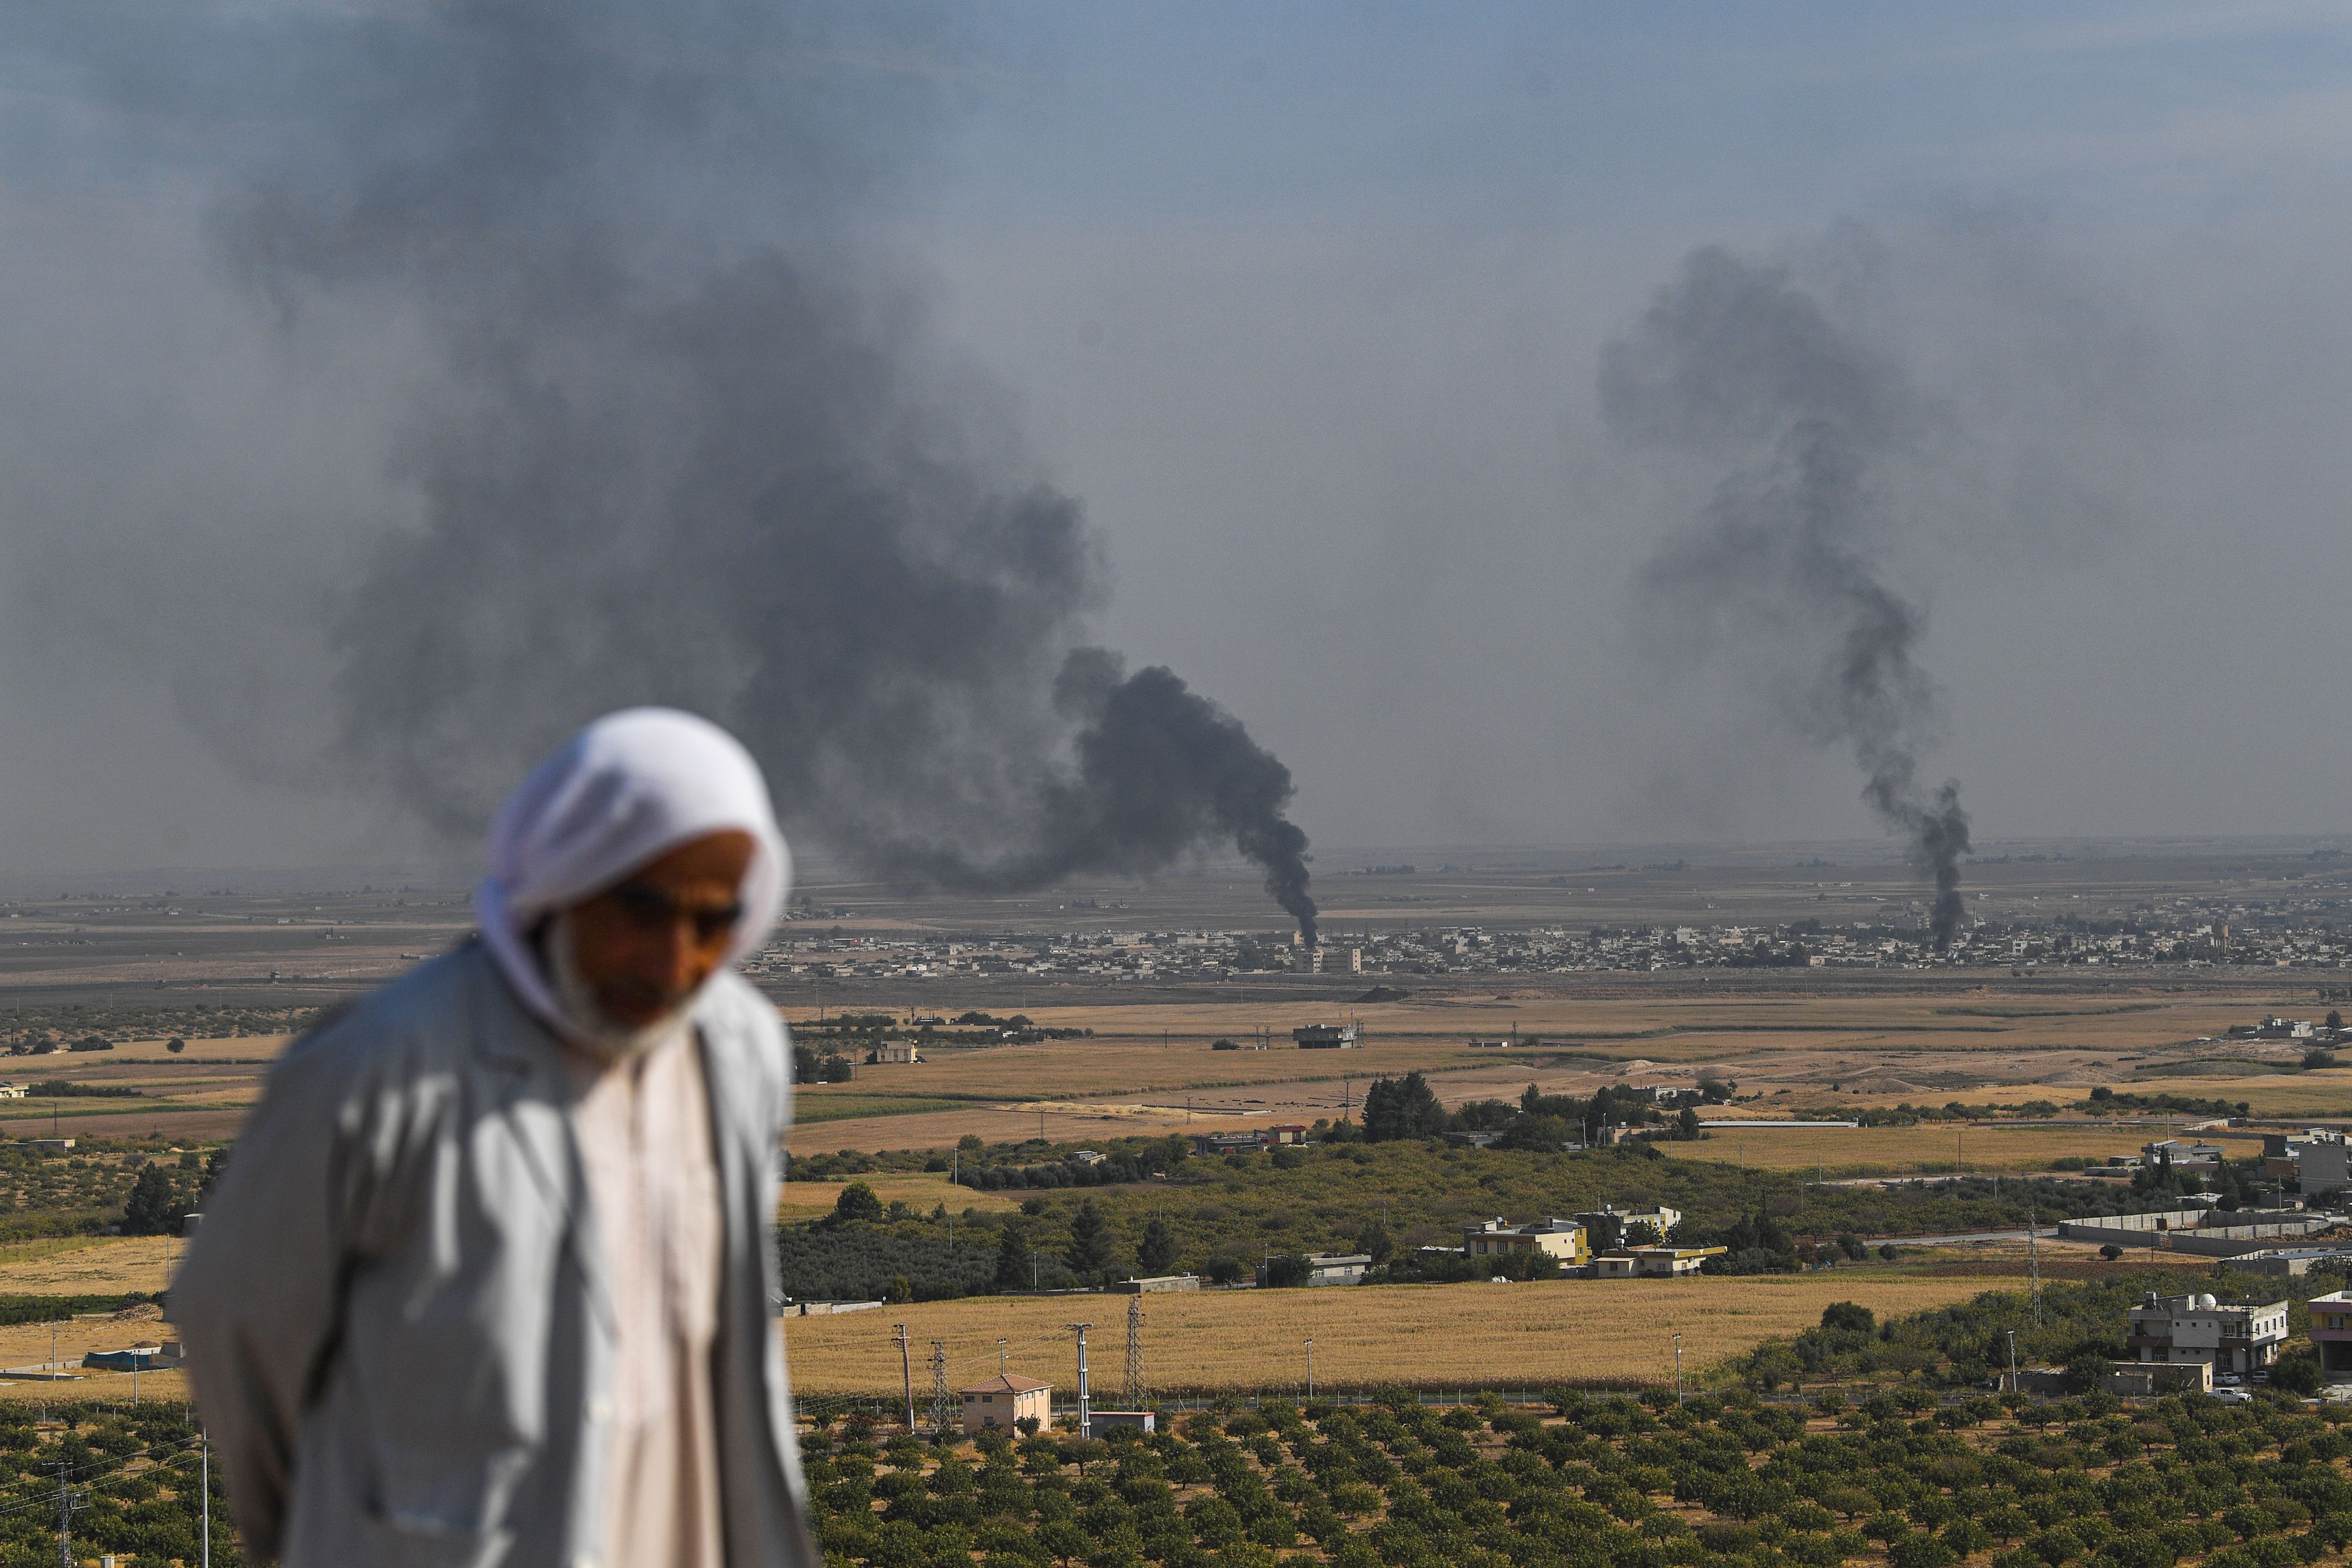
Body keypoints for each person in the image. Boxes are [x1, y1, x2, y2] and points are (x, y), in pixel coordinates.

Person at [173, 708, 818, 1568]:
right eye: (642, 910)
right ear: (566, 880)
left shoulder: (740, 1050)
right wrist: (321, 1528)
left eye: (712, 925)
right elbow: (239, 1322)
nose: (675, 963)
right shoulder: (380, 1066)